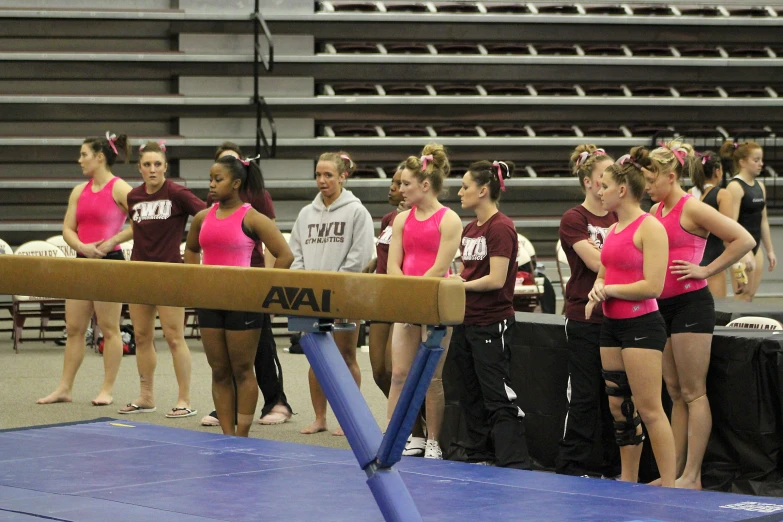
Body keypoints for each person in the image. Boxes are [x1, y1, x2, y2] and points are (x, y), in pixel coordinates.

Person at [646, 140, 755, 489]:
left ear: (672, 175)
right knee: (675, 391)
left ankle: (692, 475)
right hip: (661, 306)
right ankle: (672, 473)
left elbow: (743, 239)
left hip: (692, 305)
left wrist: (706, 270)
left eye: (651, 179)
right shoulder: (654, 213)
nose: (646, 186)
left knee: (694, 392)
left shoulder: (692, 209)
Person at [184, 155, 293, 437]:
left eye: (217, 179)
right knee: (219, 370)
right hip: (209, 300)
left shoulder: (252, 216)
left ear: (235, 183)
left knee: (243, 370)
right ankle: (226, 434)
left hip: (243, 302)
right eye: (210, 178)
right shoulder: (201, 218)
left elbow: (285, 255)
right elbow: (193, 249)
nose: (211, 184)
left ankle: (242, 434)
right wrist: (194, 277)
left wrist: (264, 291)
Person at [585, 147, 675, 487]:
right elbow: (605, 272)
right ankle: (629, 478)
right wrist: (597, 289)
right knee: (620, 409)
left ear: (622, 190)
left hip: (641, 324)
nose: (599, 191)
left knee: (650, 409)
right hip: (612, 325)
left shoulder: (648, 226)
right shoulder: (614, 229)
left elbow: (653, 285)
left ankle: (670, 485)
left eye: (604, 186)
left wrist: (610, 291)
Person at [37, 132, 133, 406]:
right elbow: (67, 228)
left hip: (109, 264)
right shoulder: (79, 191)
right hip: (82, 261)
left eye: (84, 154)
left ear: (100, 157)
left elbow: (141, 223)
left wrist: (112, 240)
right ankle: (64, 388)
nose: (79, 160)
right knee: (74, 327)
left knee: (109, 327)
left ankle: (107, 389)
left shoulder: (120, 188)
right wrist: (82, 245)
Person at [448, 159, 531, 469]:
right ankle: (480, 453)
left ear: (483, 190)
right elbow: (467, 270)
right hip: (466, 320)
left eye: (465, 187)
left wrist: (462, 285)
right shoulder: (470, 228)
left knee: (496, 391)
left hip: (491, 321)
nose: (460, 192)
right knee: (469, 391)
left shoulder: (501, 227)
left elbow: (496, 279)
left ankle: (513, 459)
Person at [289, 151, 375, 435]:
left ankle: (348, 418)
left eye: (328, 175)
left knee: (346, 355)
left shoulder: (356, 212)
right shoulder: (306, 214)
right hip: (312, 296)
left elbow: (360, 255)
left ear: (343, 176)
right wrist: (305, 283)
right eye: (318, 175)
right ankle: (320, 417)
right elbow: (297, 252)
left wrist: (337, 287)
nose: (322, 180)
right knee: (316, 356)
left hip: (345, 295)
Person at [118, 141, 206, 418]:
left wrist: (193, 247)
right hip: (140, 274)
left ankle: (184, 399)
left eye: (157, 164)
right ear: (140, 168)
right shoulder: (133, 197)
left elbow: (205, 215)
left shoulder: (177, 193)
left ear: (166, 167)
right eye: (147, 165)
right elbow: (138, 230)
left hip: (169, 273)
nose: (152, 169)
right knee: (142, 337)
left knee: (174, 337)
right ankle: (146, 396)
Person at [387, 143, 463, 459]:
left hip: (434, 302)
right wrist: (404, 296)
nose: (400, 189)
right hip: (407, 302)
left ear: (425, 185)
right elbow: (393, 264)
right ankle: (393, 434)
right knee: (399, 374)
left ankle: (432, 440)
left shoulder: (450, 220)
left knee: (432, 378)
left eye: (406, 184)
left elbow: (439, 267)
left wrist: (415, 295)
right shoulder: (402, 220)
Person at [556, 145, 620, 478]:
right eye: (603, 178)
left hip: (619, 314)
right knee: (584, 395)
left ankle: (616, 465)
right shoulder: (575, 219)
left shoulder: (621, 215)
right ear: (588, 182)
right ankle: (573, 464)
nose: (609, 184)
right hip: (585, 316)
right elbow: (596, 262)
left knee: (616, 396)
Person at [721, 140, 777, 301]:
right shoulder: (735, 187)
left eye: (761, 160)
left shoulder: (760, 186)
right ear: (742, 162)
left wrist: (770, 251)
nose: (761, 164)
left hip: (755, 246)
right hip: (740, 248)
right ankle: (736, 326)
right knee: (742, 295)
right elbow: (732, 224)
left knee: (750, 295)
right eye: (756, 160)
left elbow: (763, 220)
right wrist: (741, 254)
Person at [688, 151, 735, 298]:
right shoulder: (722, 195)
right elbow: (729, 235)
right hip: (714, 263)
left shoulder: (689, 193)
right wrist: (737, 266)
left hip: (692, 262)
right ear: (717, 171)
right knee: (717, 314)